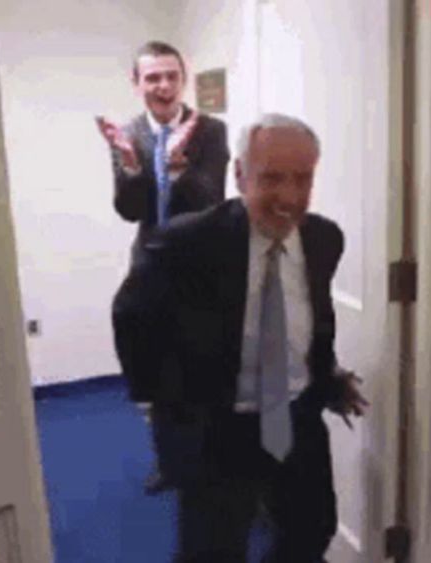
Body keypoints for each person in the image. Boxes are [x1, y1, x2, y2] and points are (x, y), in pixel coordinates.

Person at [113, 113, 368, 562]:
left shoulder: (325, 238)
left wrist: (326, 378)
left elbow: (311, 318)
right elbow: (131, 317)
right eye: (272, 178)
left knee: (312, 529)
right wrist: (162, 406)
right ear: (239, 175)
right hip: (217, 428)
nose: (289, 197)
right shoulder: (187, 242)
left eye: (302, 179)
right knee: (213, 552)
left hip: (295, 417)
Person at [95, 40, 229, 495]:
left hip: (203, 267)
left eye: (172, 75)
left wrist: (178, 171)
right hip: (152, 265)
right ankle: (169, 464)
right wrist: (132, 168)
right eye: (153, 77)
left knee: (206, 366)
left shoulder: (210, 130)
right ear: (137, 84)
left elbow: (212, 200)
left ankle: (212, 460)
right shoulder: (128, 134)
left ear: (183, 79)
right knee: (156, 369)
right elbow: (130, 211)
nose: (164, 85)